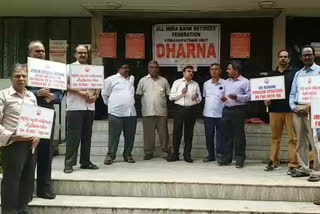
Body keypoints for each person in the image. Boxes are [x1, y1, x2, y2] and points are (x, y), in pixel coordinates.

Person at [0, 64, 40, 214]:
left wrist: (37, 134)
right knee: (11, 180)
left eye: (24, 76)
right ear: (11, 78)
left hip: (31, 145)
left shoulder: (31, 96)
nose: (21, 79)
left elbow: (37, 118)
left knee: (28, 179)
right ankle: (9, 211)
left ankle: (23, 209)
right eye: (17, 76)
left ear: (28, 78)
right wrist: (12, 136)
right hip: (13, 145)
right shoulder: (3, 96)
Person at [27, 40, 63, 199]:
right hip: (29, 112)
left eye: (42, 51)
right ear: (30, 53)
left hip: (48, 113)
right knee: (29, 151)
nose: (40, 53)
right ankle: (26, 191)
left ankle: (44, 189)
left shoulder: (52, 69)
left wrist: (55, 96)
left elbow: (60, 93)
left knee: (45, 151)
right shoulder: (23, 69)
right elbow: (17, 89)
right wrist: (36, 93)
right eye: (37, 51)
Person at [64, 45, 99, 173]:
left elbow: (98, 87)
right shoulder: (69, 68)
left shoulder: (93, 69)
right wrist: (79, 92)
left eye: (85, 53)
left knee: (87, 136)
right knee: (73, 136)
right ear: (75, 54)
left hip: (90, 107)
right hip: (75, 107)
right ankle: (69, 163)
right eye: (80, 53)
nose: (83, 55)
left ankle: (85, 161)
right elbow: (63, 84)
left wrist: (95, 96)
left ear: (88, 54)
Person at [264, 50, 299, 174]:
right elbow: (265, 91)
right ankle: (273, 161)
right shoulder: (271, 74)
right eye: (281, 57)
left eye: (285, 57)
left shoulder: (295, 73)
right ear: (278, 58)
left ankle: (293, 164)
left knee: (293, 138)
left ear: (289, 59)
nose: (283, 59)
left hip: (290, 110)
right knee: (275, 137)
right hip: (274, 110)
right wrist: (266, 99)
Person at [289, 45, 320, 181]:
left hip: (315, 110)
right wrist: (294, 107)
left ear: (314, 56)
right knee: (300, 141)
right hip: (298, 111)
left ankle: (317, 170)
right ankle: (304, 168)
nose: (307, 57)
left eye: (309, 54)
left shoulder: (319, 71)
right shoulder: (298, 74)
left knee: (315, 141)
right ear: (301, 58)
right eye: (304, 55)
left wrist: (311, 105)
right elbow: (292, 93)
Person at [102, 63, 137, 165]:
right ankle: (110, 155)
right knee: (114, 136)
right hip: (115, 113)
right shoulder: (110, 79)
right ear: (118, 69)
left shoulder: (131, 79)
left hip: (130, 112)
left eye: (127, 68)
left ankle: (127, 154)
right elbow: (104, 94)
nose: (126, 70)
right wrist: (111, 105)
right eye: (124, 68)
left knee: (130, 136)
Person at [136, 61, 171, 160]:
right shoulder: (143, 81)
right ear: (148, 68)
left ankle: (166, 151)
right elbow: (138, 95)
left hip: (161, 112)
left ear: (158, 68)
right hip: (147, 112)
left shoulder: (164, 81)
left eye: (156, 67)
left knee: (164, 133)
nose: (154, 69)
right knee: (148, 134)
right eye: (151, 67)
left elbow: (169, 95)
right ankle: (148, 152)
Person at [167, 65, 201, 163]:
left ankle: (187, 154)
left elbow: (200, 99)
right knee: (177, 132)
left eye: (192, 72)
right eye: (188, 71)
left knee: (189, 133)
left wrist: (196, 98)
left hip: (191, 110)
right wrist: (181, 93)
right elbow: (171, 97)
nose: (190, 73)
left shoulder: (195, 84)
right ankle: (175, 154)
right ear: (184, 73)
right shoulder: (177, 82)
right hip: (179, 109)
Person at [220, 60, 250, 168]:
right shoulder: (226, 81)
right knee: (226, 135)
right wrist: (223, 97)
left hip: (239, 110)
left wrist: (237, 97)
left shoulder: (245, 81)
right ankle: (227, 158)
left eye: (229, 69)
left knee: (239, 136)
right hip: (227, 109)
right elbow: (223, 93)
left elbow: (250, 96)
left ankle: (239, 159)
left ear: (236, 71)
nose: (227, 71)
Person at [202, 63, 225, 162]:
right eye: (212, 69)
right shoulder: (206, 84)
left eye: (216, 69)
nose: (214, 71)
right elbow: (204, 97)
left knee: (221, 136)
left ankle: (220, 155)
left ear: (220, 71)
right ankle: (210, 155)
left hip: (221, 114)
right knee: (209, 136)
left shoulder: (225, 83)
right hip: (208, 114)